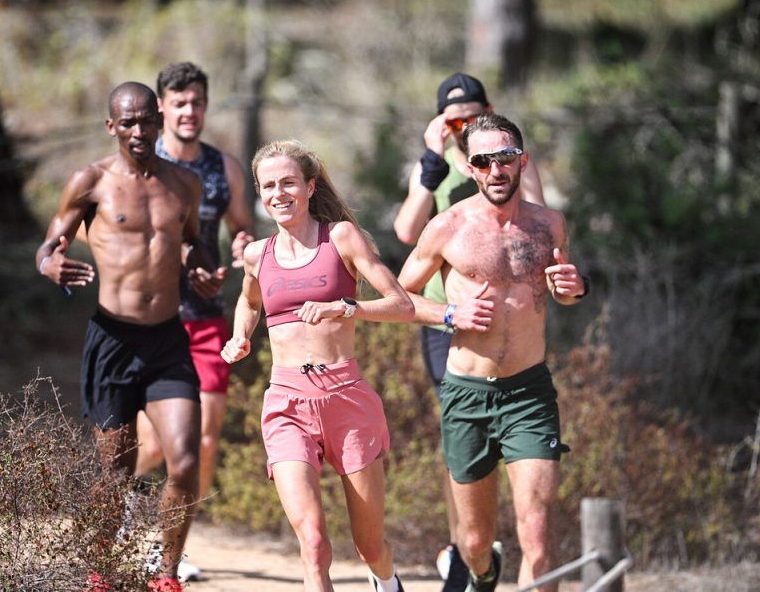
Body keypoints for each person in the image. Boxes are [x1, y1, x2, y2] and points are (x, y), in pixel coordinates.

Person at [35, 81, 216, 592]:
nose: (139, 130)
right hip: (112, 342)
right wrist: (50, 265)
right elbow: (49, 245)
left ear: (159, 121)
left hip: (167, 341)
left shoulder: (185, 183)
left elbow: (193, 243)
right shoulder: (90, 181)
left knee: (184, 461)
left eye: (146, 120)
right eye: (128, 122)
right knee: (115, 472)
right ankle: (100, 575)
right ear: (111, 126)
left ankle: (166, 577)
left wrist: (201, 269)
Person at [397, 113, 586, 592]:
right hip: (467, 395)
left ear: (523, 161)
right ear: (470, 168)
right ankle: (484, 575)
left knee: (537, 534)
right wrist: (449, 314)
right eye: (483, 161)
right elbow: (398, 297)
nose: (496, 169)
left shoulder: (550, 225)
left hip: (529, 393)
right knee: (476, 541)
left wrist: (575, 289)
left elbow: (559, 292)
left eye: (505, 157)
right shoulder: (447, 227)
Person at [220, 140, 415, 592]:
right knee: (312, 544)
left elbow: (401, 305)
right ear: (259, 193)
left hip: (346, 398)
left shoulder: (340, 237)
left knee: (370, 547)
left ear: (309, 187)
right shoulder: (257, 254)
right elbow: (250, 302)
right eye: (269, 185)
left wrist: (344, 308)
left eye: (288, 183)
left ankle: (387, 583)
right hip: (286, 403)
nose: (279, 193)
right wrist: (239, 336)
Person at [133, 61, 255, 582]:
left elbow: (243, 225)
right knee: (153, 445)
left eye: (197, 102)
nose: (189, 111)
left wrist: (245, 248)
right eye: (180, 103)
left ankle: (174, 546)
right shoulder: (144, 162)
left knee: (203, 440)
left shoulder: (222, 167)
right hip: (154, 318)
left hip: (207, 319)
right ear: (162, 106)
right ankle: (125, 523)